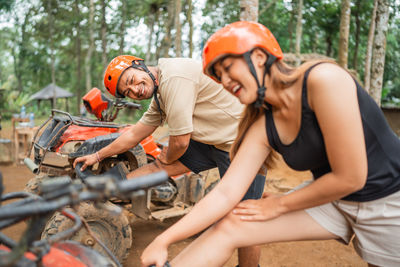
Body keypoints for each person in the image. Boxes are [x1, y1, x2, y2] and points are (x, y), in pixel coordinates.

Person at [140, 21, 400, 267]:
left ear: (259, 57)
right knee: (232, 224)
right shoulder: (262, 125)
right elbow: (226, 193)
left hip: (387, 198)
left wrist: (280, 204)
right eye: (218, 75)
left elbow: (351, 177)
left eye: (227, 68)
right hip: (333, 200)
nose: (226, 81)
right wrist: (164, 240)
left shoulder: (323, 79)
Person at [73, 55, 266, 267]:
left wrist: (168, 157)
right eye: (128, 92)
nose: (135, 90)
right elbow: (135, 132)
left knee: (243, 217)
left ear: (139, 65)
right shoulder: (160, 95)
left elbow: (181, 143)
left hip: (243, 141)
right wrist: (98, 155)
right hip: (214, 141)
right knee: (159, 165)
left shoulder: (175, 76)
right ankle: (107, 187)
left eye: (131, 81)